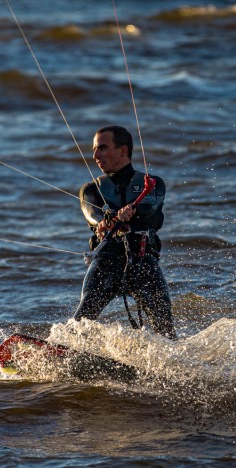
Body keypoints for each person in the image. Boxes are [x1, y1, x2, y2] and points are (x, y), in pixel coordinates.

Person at [74, 125, 176, 340]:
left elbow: (150, 207)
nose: (95, 155)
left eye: (102, 148)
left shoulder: (153, 184)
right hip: (107, 260)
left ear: (123, 150)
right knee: (82, 318)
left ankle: (172, 362)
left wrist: (133, 210)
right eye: (94, 149)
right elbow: (91, 211)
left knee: (165, 327)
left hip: (142, 260)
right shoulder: (90, 189)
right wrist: (104, 221)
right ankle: (61, 352)